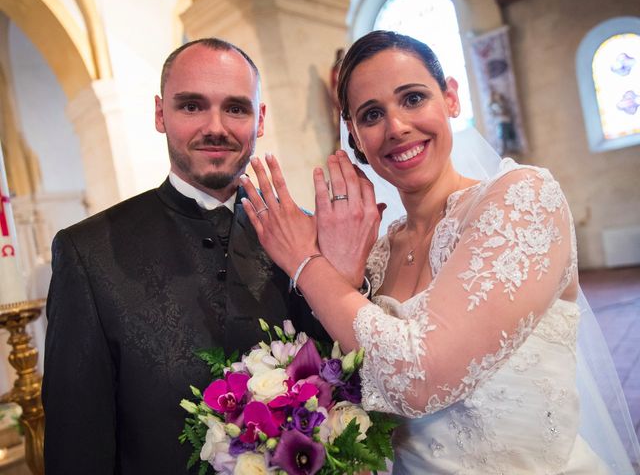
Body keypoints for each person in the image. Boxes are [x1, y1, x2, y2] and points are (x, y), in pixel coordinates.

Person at [239, 31, 640, 473]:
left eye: (413, 98)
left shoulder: (523, 198)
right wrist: (347, 277)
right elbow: (357, 392)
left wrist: (306, 262)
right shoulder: (376, 254)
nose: (396, 127)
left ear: (450, 97)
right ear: (354, 134)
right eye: (372, 114)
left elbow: (420, 378)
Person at [41, 38, 331, 475]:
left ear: (260, 118)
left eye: (236, 108)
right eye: (192, 106)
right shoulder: (88, 251)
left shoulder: (307, 234)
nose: (216, 127)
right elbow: (77, 438)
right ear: (160, 114)